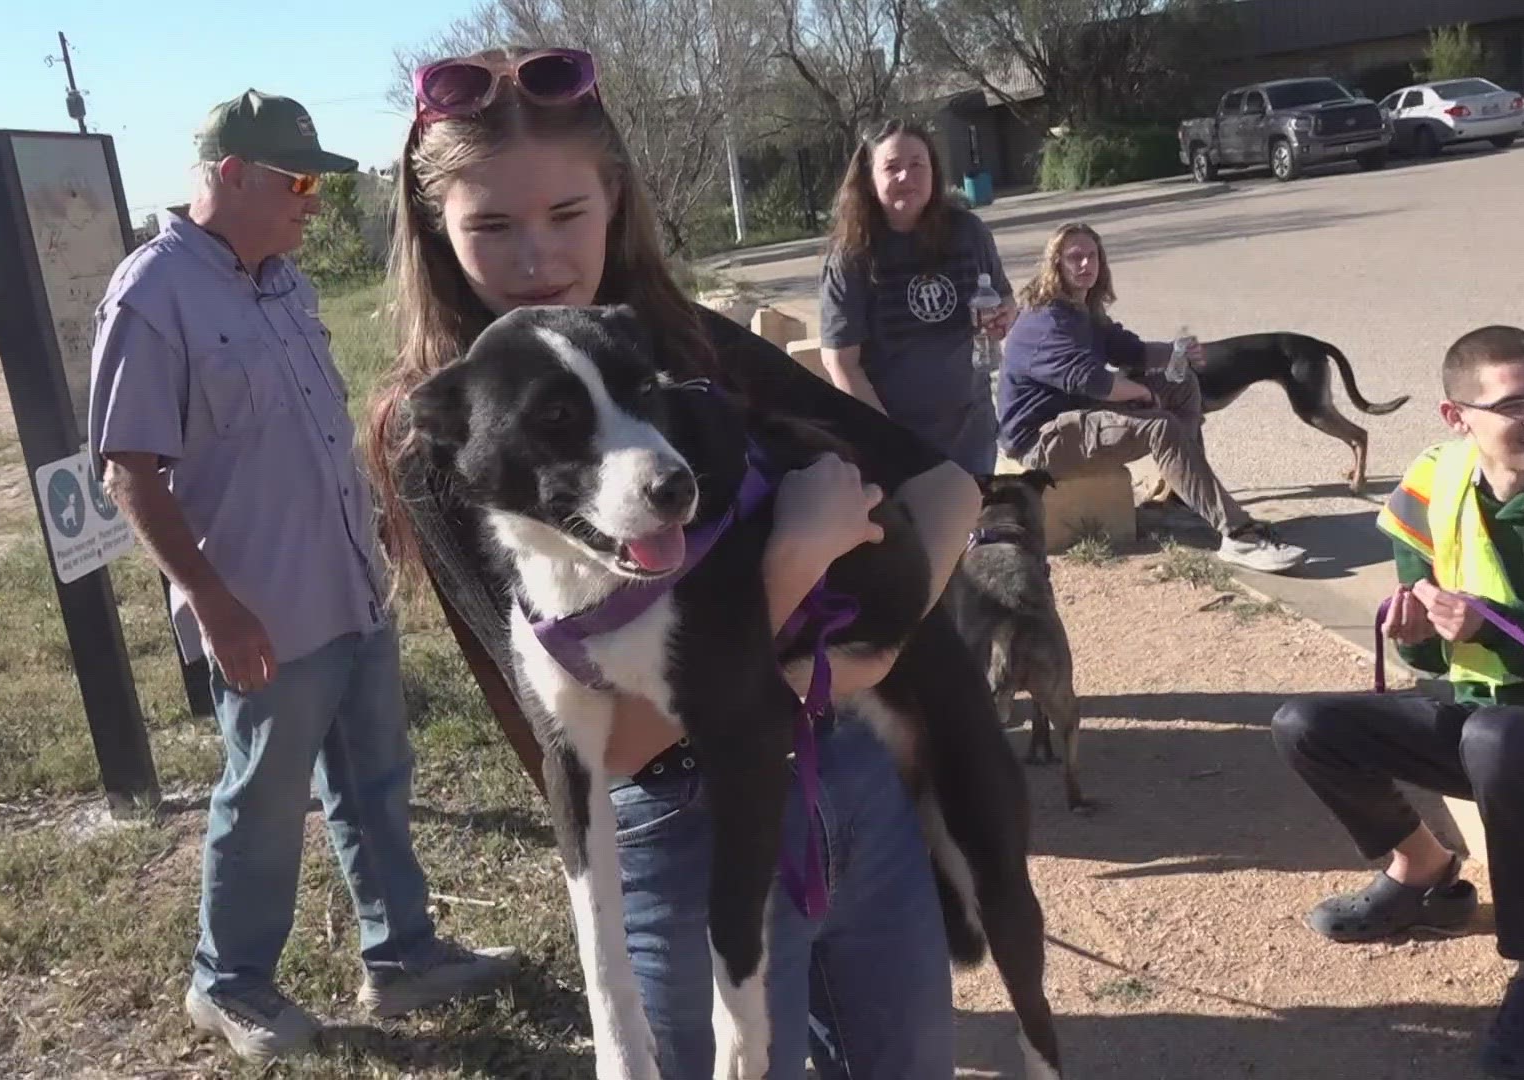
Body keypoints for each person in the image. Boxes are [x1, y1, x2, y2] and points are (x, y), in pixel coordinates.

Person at [365, 46, 980, 1079]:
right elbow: (605, 746)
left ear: (615, 199)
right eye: (493, 227)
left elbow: (947, 488)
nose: (537, 259)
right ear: (436, 230)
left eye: (567, 214)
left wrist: (871, 652)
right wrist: (785, 576)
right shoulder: (446, 440)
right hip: (675, 841)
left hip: (848, 783)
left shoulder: (675, 348)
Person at [88, 89, 517, 1064]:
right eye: (298, 180)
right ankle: (228, 984)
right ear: (231, 176)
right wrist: (211, 603)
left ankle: (403, 955)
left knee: (377, 780)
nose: (312, 200)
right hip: (263, 615)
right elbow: (129, 471)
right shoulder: (152, 296)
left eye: (319, 181)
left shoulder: (284, 284)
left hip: (348, 586)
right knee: (267, 801)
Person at [1271, 326, 1524, 1079]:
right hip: (1492, 722)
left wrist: (1506, 628)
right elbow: (1432, 658)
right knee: (1307, 724)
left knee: (1497, 737)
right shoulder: (1431, 491)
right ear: (1456, 419)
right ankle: (1420, 870)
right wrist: (1418, 634)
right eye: (1514, 403)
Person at [995, 221, 1307, 573]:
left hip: (1077, 418)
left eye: (1092, 256)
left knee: (1182, 383)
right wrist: (1140, 392)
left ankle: (1181, 496)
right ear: (1056, 265)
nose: (1086, 265)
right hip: (1041, 442)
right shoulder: (1044, 320)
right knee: (1160, 426)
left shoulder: (1083, 311)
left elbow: (1131, 351)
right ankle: (1238, 535)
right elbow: (1090, 379)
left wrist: (1178, 353)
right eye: (1075, 257)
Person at [818, 120, 1016, 477]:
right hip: (897, 439)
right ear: (868, 177)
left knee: (972, 528)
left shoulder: (969, 233)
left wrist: (1005, 314)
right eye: (892, 167)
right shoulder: (852, 256)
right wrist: (890, 442)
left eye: (917, 164)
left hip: (971, 430)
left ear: (934, 171)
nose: (905, 176)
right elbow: (841, 363)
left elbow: (1005, 297)